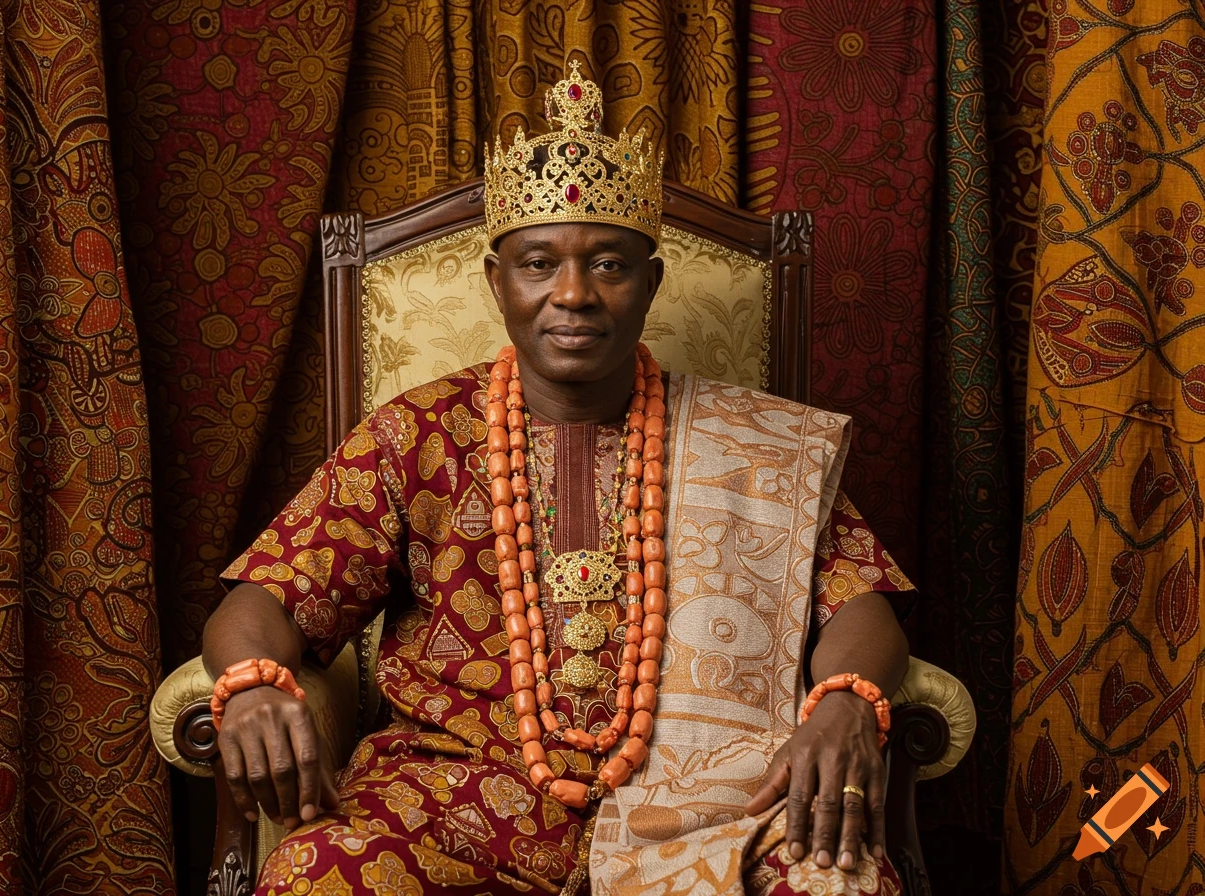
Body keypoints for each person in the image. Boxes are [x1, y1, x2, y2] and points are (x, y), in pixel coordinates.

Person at [203, 62, 914, 896]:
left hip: (713, 804)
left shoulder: (753, 444)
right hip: (448, 801)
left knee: (841, 883)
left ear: (650, 283)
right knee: (314, 875)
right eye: (539, 263)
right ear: (496, 282)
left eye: (609, 264)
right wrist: (251, 684)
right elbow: (260, 604)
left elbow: (862, 603)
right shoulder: (416, 432)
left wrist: (845, 698)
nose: (572, 294)